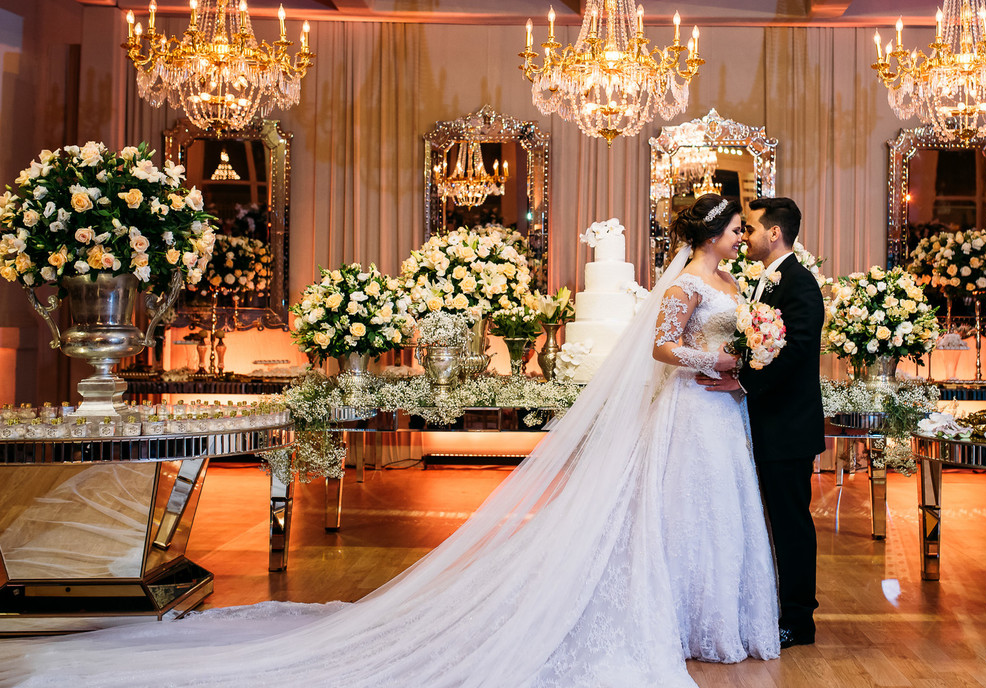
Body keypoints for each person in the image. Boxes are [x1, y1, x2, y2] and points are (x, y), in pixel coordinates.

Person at [0, 193, 778, 688]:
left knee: (716, 513)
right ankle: (678, 617)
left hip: (721, 412)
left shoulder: (733, 284)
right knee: (679, 509)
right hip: (689, 408)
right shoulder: (683, 283)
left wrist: (744, 364)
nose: (743, 236)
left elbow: (722, 338)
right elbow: (663, 348)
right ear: (713, 232)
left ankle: (712, 617)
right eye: (737, 227)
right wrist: (715, 360)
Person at [699, 196, 825, 647]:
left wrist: (743, 383)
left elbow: (797, 352)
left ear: (774, 233)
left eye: (749, 227)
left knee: (791, 525)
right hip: (765, 424)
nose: (745, 236)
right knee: (769, 522)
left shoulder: (800, 283)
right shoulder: (764, 282)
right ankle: (772, 608)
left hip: (788, 428)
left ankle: (799, 619)